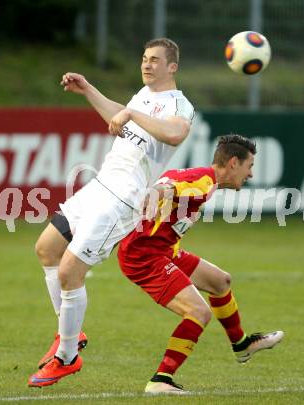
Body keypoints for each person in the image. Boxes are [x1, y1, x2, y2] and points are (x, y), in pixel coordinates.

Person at [28, 38, 195, 387]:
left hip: (123, 199)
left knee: (70, 271)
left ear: (172, 67)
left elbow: (176, 134)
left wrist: (131, 113)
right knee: (46, 248)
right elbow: (121, 119)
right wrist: (89, 89)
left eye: (154, 60)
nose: (146, 65)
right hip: (100, 185)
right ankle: (70, 333)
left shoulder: (180, 105)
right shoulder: (142, 96)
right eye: (144, 59)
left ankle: (67, 357)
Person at [117, 134, 284, 394]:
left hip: (165, 251)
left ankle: (241, 346)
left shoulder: (202, 178)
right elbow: (169, 188)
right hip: (145, 256)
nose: (250, 174)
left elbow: (172, 183)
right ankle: (161, 379)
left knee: (221, 281)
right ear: (233, 163)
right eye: (249, 166)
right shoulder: (203, 182)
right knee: (199, 312)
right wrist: (157, 193)